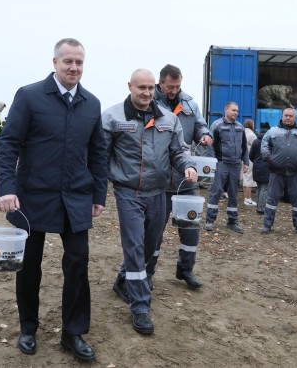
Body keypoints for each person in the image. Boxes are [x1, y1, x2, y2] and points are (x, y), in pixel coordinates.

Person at [0, 38, 107, 361]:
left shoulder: (92, 104)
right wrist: (6, 188)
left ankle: (73, 333)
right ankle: (28, 327)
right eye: (68, 62)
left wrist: (98, 194)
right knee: (28, 266)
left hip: (75, 198)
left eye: (79, 63)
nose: (74, 68)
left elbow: (98, 153)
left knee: (78, 263)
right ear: (54, 62)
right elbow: (8, 144)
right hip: (31, 198)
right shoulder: (30, 96)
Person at [102, 69, 197, 335]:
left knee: (149, 246)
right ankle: (140, 307)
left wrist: (188, 166)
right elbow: (100, 155)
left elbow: (179, 150)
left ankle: (123, 280)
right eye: (139, 87)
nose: (145, 93)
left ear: (153, 88)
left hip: (159, 193)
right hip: (128, 192)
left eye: (148, 88)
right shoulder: (112, 117)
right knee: (134, 246)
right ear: (130, 86)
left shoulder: (168, 119)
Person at [146, 64, 212, 290]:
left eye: (178, 86)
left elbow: (200, 126)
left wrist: (204, 135)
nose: (174, 90)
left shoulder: (190, 104)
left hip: (187, 180)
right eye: (170, 86)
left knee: (191, 228)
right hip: (160, 182)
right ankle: (147, 272)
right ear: (160, 83)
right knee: (155, 232)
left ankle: (185, 270)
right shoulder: (149, 103)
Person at [260, 108, 297, 235]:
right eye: (286, 115)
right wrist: (269, 158)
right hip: (276, 172)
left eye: (290, 116)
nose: (288, 118)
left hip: (295, 173)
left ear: (294, 118)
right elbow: (264, 145)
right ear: (282, 116)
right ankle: (267, 225)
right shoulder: (272, 131)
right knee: (271, 200)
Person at [205, 102, 249, 234]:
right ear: (226, 110)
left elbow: (244, 147)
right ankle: (209, 220)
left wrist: (245, 162)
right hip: (221, 163)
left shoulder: (240, 127)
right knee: (216, 191)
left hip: (235, 165)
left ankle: (232, 222)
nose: (235, 113)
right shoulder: (217, 125)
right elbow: (210, 146)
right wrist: (213, 163)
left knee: (234, 193)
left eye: (237, 111)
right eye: (233, 110)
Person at [249, 122, 271, 215]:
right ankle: (261, 208)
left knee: (259, 187)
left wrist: (256, 162)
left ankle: (258, 206)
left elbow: (251, 156)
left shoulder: (255, 141)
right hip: (266, 167)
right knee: (264, 188)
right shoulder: (270, 141)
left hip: (257, 166)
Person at [242, 119, 257, 206]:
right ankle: (248, 199)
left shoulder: (242, 133)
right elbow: (255, 147)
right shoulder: (252, 135)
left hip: (242, 159)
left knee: (245, 179)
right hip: (250, 160)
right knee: (249, 179)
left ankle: (245, 198)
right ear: (252, 125)